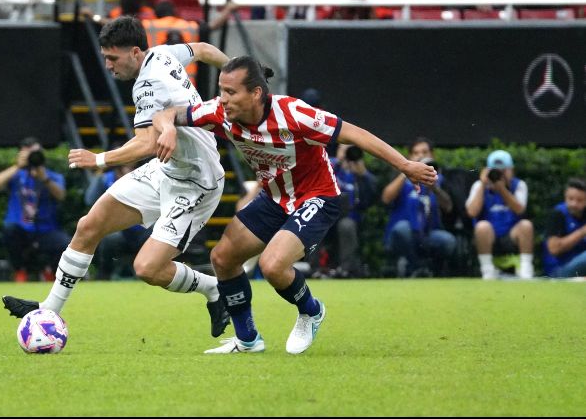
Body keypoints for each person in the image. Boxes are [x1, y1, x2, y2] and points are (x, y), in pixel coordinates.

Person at [152, 56, 437, 354]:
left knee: (273, 266)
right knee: (223, 258)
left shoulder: (293, 114)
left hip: (318, 196)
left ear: (256, 94)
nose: (223, 99)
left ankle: (311, 311)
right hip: (275, 199)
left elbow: (355, 134)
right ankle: (248, 340)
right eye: (221, 91)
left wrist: (405, 165)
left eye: (231, 92)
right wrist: (169, 129)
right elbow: (167, 114)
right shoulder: (219, 112)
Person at [2, 16, 234, 339]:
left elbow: (146, 143)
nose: (108, 66)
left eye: (113, 58)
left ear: (136, 52)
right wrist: (239, 68)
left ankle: (213, 289)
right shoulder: (164, 53)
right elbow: (205, 49)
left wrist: (98, 159)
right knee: (88, 226)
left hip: (196, 184)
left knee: (147, 269)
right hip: (165, 170)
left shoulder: (147, 84)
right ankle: (49, 311)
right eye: (105, 57)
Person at [0, 137, 71, 283]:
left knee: (64, 243)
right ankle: (20, 271)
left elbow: (61, 195)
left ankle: (51, 272)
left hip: (46, 229)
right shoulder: (16, 175)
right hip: (21, 227)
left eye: (35, 153)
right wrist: (17, 166)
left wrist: (44, 178)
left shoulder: (51, 176)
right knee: (9, 231)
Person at [381, 137, 457, 278]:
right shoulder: (398, 175)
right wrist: (406, 170)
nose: (421, 156)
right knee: (402, 229)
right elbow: (386, 198)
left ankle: (431, 270)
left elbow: (448, 207)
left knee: (448, 241)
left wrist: (434, 188)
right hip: (403, 234)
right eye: (416, 153)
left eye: (424, 152)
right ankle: (415, 267)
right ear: (410, 156)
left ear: (432, 155)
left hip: (428, 234)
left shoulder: (440, 178)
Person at [465, 149, 534, 280]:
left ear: (511, 170)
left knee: (526, 225)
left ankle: (526, 269)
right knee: (482, 226)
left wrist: (502, 188)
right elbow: (471, 212)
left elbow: (519, 209)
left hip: (511, 234)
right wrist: (483, 185)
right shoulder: (479, 186)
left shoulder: (519, 185)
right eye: (496, 172)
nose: (499, 175)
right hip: (488, 236)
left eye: (503, 171)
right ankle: (487, 271)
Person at [83, 147, 150, 280]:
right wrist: (100, 173)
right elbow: (89, 199)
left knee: (155, 235)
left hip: (141, 227)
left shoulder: (145, 176)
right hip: (115, 228)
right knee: (110, 239)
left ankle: (147, 274)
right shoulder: (104, 179)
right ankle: (104, 275)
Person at [323, 143, 377, 278]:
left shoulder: (359, 171)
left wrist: (363, 173)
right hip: (326, 215)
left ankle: (346, 269)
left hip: (350, 218)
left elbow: (374, 194)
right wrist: (339, 161)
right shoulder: (330, 166)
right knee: (313, 224)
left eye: (350, 149)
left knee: (346, 225)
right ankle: (315, 269)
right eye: (344, 148)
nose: (347, 152)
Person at [542, 177, 586, 278]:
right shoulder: (558, 214)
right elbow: (554, 249)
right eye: (570, 199)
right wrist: (583, 231)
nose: (574, 204)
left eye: (579, 200)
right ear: (565, 196)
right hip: (559, 270)